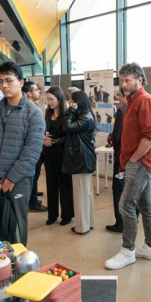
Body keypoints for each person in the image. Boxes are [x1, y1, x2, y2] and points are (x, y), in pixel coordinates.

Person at [0, 62, 44, 246]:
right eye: (1, 82)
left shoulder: (33, 113)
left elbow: (32, 150)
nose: (4, 86)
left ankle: (17, 264)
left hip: (19, 180)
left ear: (21, 82)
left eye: (9, 80)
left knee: (16, 224)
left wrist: (11, 178)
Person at [105, 62, 151, 270]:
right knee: (145, 205)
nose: (124, 83)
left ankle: (127, 251)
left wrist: (134, 159)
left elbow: (150, 135)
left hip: (141, 162)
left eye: (128, 80)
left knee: (126, 205)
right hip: (137, 161)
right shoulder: (133, 100)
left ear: (139, 80)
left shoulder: (145, 100)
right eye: (122, 80)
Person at [62, 91, 96, 235]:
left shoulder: (85, 118)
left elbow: (67, 127)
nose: (71, 104)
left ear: (79, 102)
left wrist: (70, 111)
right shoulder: (87, 115)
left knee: (81, 195)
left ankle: (82, 227)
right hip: (84, 159)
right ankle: (89, 223)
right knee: (86, 193)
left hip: (80, 160)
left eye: (73, 101)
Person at [42, 86, 74, 226]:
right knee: (51, 183)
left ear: (59, 99)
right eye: (47, 99)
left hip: (62, 153)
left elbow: (69, 137)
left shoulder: (67, 115)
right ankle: (52, 214)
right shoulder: (47, 114)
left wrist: (53, 141)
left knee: (64, 184)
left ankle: (66, 214)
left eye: (51, 99)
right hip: (49, 153)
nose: (49, 102)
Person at [105, 91, 128, 233]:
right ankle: (131, 219)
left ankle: (120, 222)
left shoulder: (122, 110)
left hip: (122, 156)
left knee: (118, 189)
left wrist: (114, 142)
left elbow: (118, 135)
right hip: (134, 157)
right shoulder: (137, 107)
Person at [25, 82, 47, 212]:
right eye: (36, 90)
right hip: (33, 147)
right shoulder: (30, 108)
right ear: (29, 93)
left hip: (34, 146)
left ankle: (32, 196)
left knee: (35, 174)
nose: (39, 92)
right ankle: (32, 202)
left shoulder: (31, 106)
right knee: (33, 174)